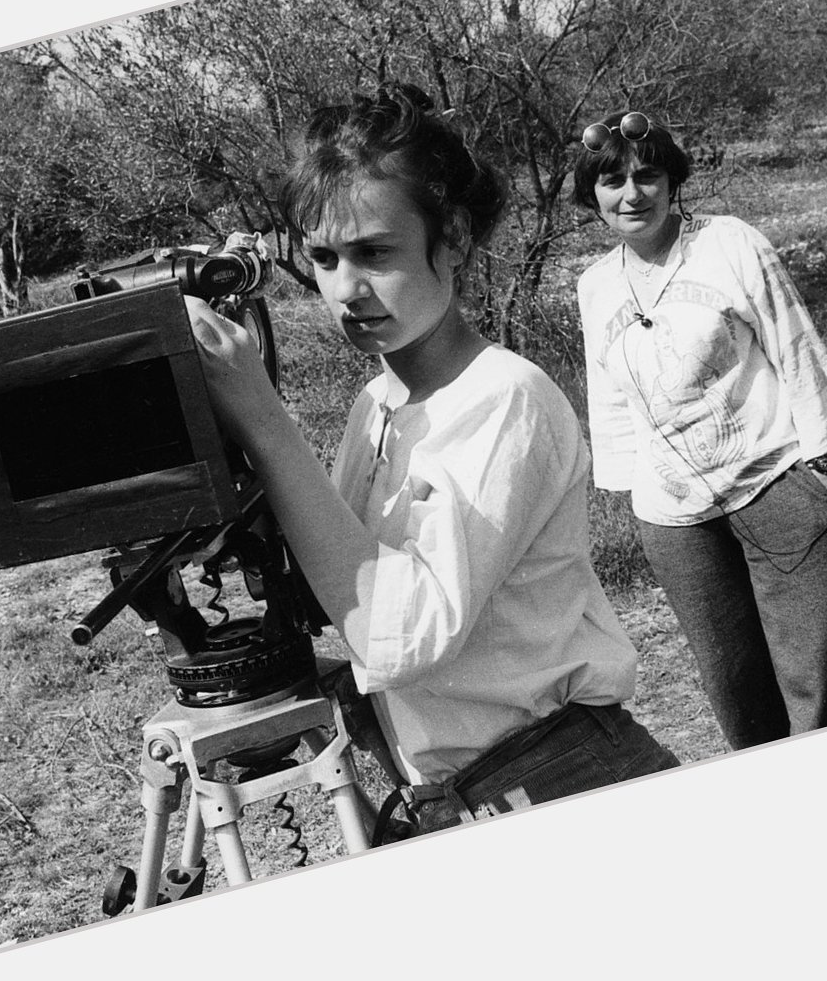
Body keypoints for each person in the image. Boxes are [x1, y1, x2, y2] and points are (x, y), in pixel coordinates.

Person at [183, 84, 677, 835]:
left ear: (451, 237)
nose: (347, 288)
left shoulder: (505, 399)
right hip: (454, 795)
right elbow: (337, 597)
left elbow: (400, 633)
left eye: (375, 252)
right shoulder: (374, 403)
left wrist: (267, 423)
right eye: (323, 257)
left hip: (557, 773)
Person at [573, 110, 827, 750]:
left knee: (817, 694)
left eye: (647, 175)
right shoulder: (594, 285)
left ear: (672, 179)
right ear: (590, 194)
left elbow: (793, 340)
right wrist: (630, 492)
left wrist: (819, 459)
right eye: (611, 181)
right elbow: (610, 397)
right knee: (738, 697)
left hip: (778, 483)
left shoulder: (728, 242)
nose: (631, 194)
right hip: (675, 521)